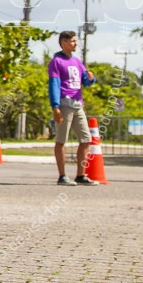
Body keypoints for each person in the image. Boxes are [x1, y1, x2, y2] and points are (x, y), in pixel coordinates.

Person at [48, 30, 98, 186]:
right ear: (64, 42)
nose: (76, 44)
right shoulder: (56, 62)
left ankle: (81, 175)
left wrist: (91, 78)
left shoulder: (77, 61)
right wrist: (55, 106)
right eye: (73, 41)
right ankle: (62, 176)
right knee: (61, 140)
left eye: (76, 41)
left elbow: (86, 82)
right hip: (64, 103)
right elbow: (54, 84)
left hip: (78, 104)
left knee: (86, 140)